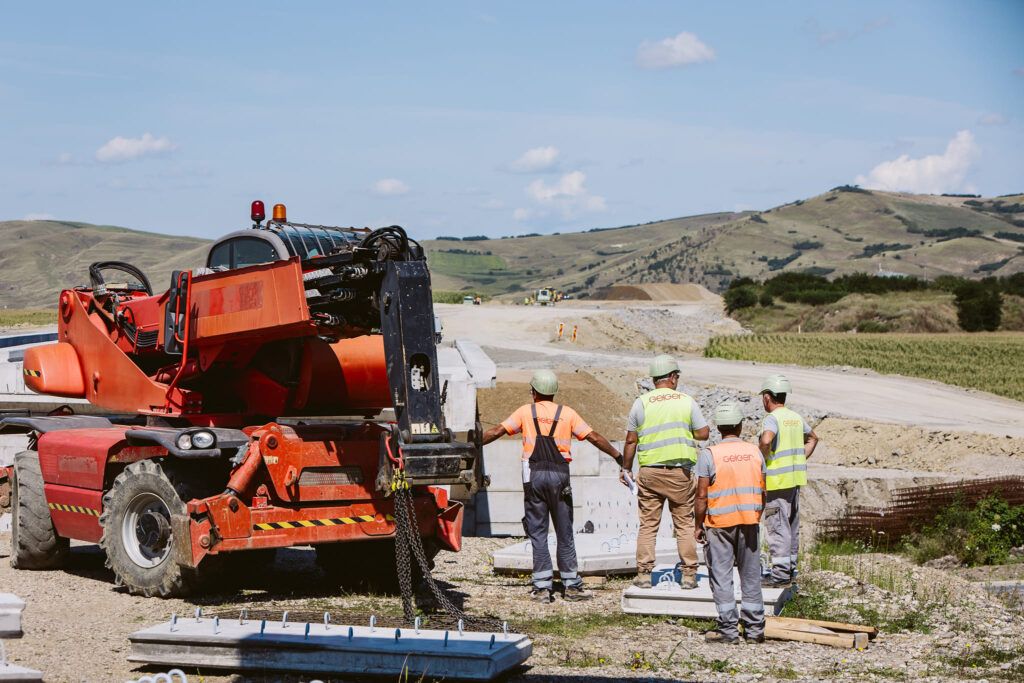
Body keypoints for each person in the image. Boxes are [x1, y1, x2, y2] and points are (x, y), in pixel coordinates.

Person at [481, 369, 623, 603]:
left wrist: (470, 445)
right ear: (554, 393)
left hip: (534, 477)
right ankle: (571, 585)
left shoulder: (526, 412)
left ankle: (542, 588)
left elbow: (497, 431)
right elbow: (593, 437)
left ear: (534, 391)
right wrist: (618, 456)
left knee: (538, 531)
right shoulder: (567, 414)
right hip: (560, 476)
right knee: (565, 531)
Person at [621, 354, 710, 589]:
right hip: (679, 475)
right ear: (671, 377)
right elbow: (703, 433)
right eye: (677, 376)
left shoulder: (641, 403)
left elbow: (631, 441)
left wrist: (626, 468)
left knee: (648, 525)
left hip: (650, 473)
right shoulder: (686, 401)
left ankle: (643, 574)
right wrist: (684, 431)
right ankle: (689, 575)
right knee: (684, 524)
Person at [695, 401, 767, 644]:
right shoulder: (755, 452)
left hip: (719, 524)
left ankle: (729, 631)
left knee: (722, 576)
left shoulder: (709, 455)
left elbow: (701, 494)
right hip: (749, 521)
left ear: (718, 427)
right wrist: (756, 515)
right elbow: (762, 489)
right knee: (750, 576)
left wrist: (698, 524)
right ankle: (755, 630)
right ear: (740, 425)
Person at [758, 374, 819, 587]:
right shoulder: (795, 417)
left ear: (767, 397)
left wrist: (762, 460)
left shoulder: (772, 419)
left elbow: (766, 440)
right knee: (791, 526)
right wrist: (801, 458)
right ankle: (791, 570)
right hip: (795, 479)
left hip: (777, 481)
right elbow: (813, 438)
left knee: (777, 527)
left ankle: (780, 575)